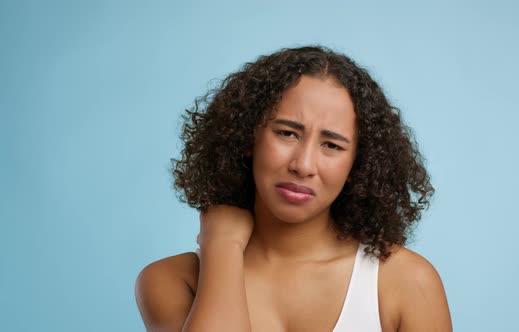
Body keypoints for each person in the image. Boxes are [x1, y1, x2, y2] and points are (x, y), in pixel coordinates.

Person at [135, 45, 452, 332]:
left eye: (332, 145)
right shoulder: (171, 280)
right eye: (287, 133)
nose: (303, 164)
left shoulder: (407, 283)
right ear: (248, 137)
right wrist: (222, 248)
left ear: (357, 165)